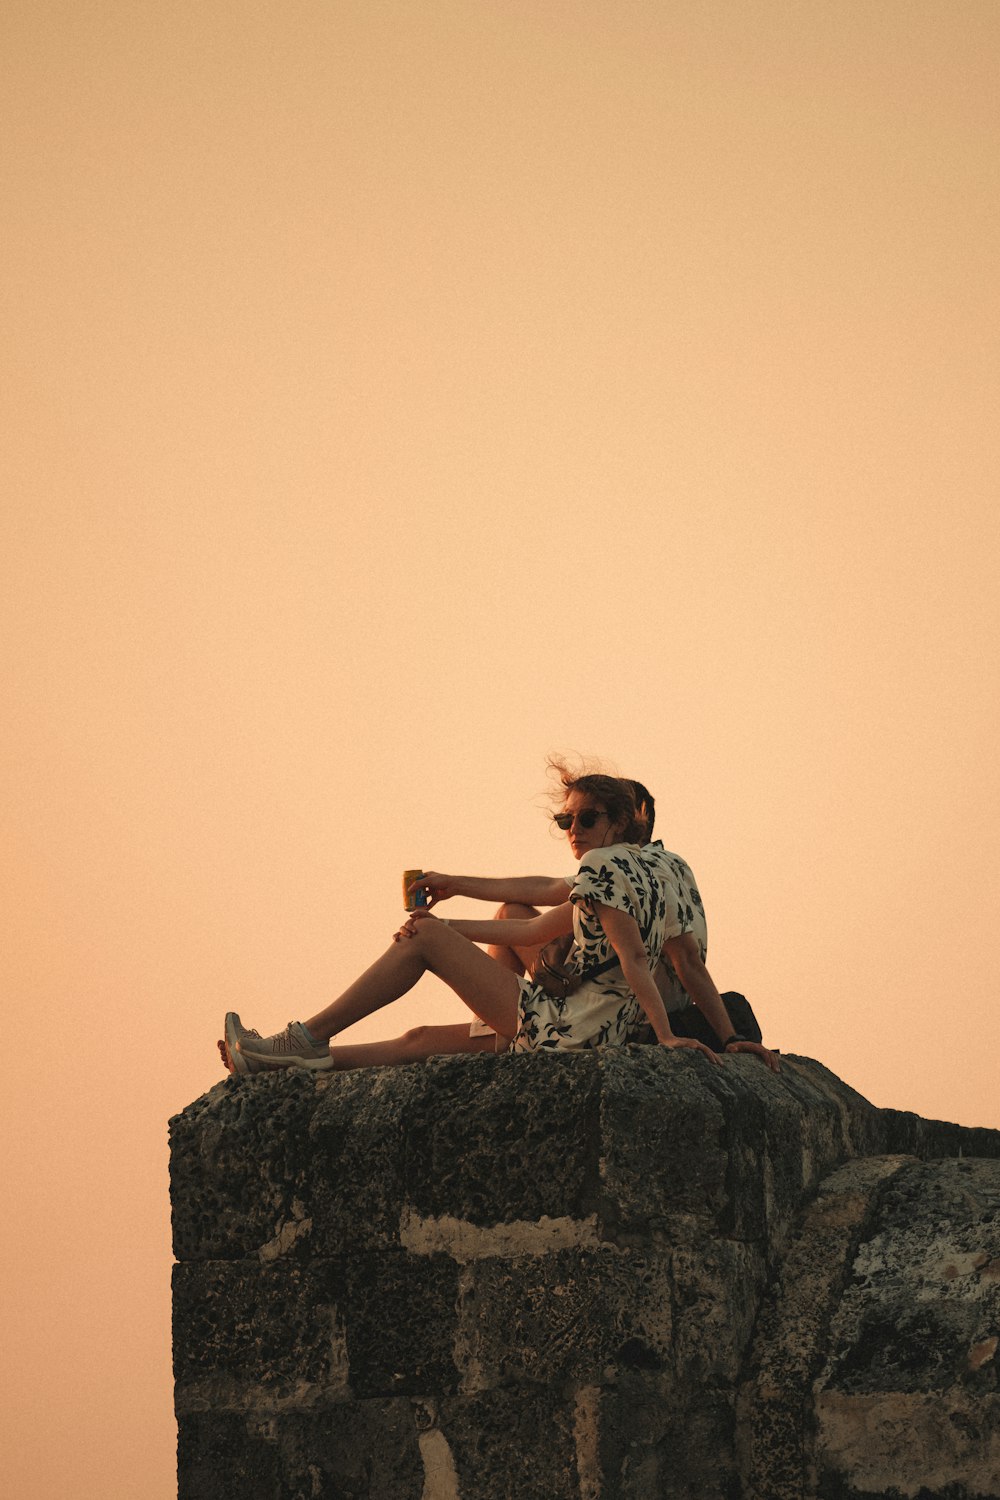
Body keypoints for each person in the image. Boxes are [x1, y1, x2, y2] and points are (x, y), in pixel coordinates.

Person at [223, 768, 737, 1075]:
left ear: (624, 820)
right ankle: (280, 1064)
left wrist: (442, 929)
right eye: (566, 820)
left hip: (576, 1033)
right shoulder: (674, 868)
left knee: (425, 935)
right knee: (419, 1039)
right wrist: (730, 1038)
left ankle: (306, 1039)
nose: (573, 831)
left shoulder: (601, 868)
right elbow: (687, 962)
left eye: (586, 819)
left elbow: (617, 955)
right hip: (600, 1021)